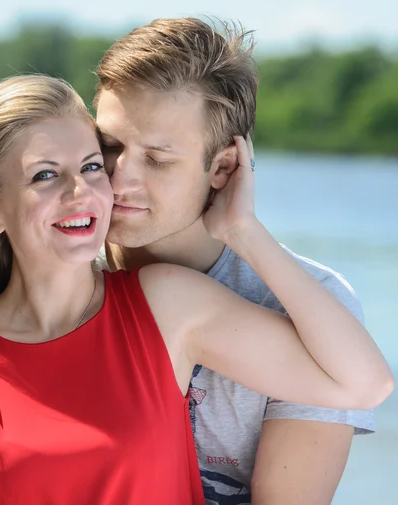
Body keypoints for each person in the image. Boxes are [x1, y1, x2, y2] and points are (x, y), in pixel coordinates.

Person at [0, 74, 392, 505]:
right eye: (46, 175)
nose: (84, 192)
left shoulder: (167, 304)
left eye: (92, 166)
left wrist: (243, 230)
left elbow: (364, 385)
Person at [91, 17, 384, 505]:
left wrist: (243, 232)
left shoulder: (308, 308)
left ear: (223, 167)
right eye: (109, 147)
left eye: (158, 160)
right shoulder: (54, 269)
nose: (119, 180)